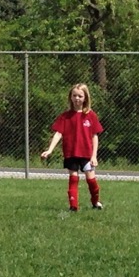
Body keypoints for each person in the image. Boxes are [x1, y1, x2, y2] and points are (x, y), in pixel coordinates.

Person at [37, 82, 104, 211]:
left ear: (85, 98)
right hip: (71, 153)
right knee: (73, 179)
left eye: (80, 96)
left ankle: (95, 202)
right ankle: (73, 206)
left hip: (86, 155)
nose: (77, 98)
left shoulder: (90, 115)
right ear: (70, 97)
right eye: (74, 95)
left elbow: (94, 136)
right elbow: (58, 134)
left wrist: (94, 155)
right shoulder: (65, 116)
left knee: (91, 181)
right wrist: (49, 150)